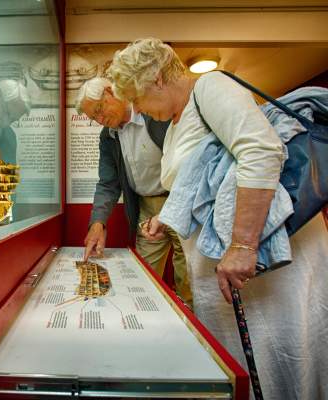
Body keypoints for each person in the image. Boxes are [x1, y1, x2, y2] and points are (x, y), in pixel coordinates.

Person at [108, 38, 328, 400]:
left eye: (137, 97)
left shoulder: (210, 87)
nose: (138, 109)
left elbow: (261, 150)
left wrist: (242, 245)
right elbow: (199, 182)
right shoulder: (177, 121)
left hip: (260, 265)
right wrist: (165, 219)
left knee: (278, 356)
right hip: (232, 269)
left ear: (158, 79)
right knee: (245, 362)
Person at [75, 77, 192, 306]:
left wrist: (177, 205)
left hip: (179, 201)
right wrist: (97, 223)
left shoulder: (153, 112)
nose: (100, 120)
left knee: (189, 277)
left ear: (110, 92)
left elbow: (188, 161)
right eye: (93, 118)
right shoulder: (107, 136)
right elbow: (108, 183)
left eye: (99, 110)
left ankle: (195, 328)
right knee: (144, 278)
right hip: (147, 208)